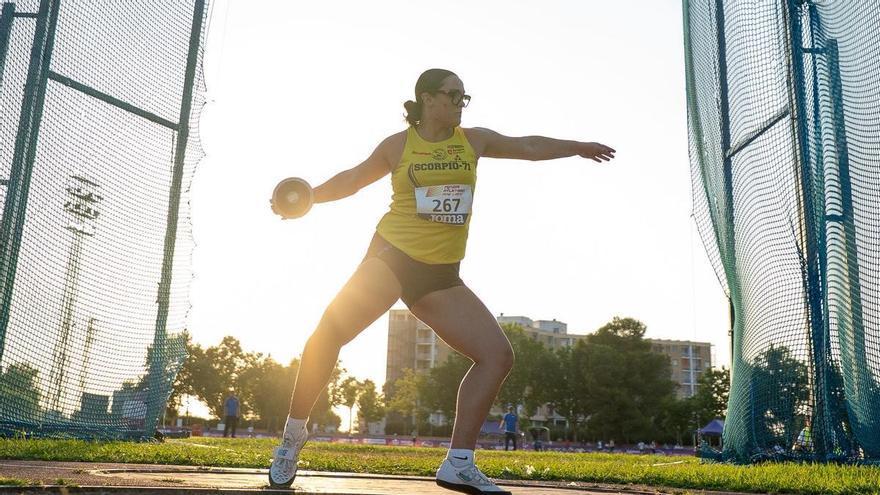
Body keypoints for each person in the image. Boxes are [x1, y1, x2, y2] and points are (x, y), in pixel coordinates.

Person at [267, 68, 615, 494]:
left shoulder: (473, 140)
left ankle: (459, 462)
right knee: (329, 334)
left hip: (441, 274)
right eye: (453, 95)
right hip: (393, 255)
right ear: (427, 99)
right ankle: (292, 435)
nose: (460, 103)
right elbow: (353, 180)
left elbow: (528, 146)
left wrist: (576, 147)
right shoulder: (398, 146)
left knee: (497, 356)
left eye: (464, 97)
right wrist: (309, 197)